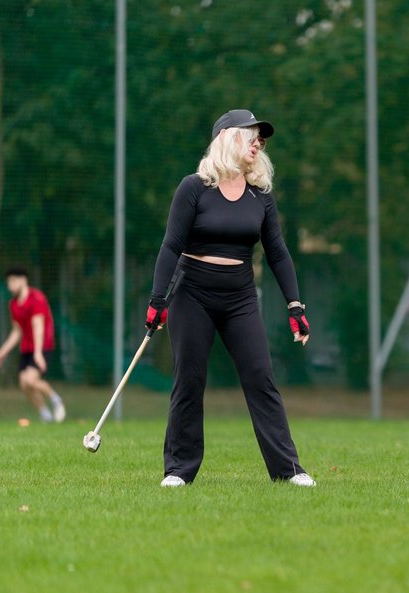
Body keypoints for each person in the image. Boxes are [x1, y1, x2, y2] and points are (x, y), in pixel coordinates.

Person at [147, 108, 315, 488]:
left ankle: (288, 469)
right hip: (192, 294)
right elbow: (171, 245)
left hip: (239, 296)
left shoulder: (261, 196)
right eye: (251, 135)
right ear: (227, 138)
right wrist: (158, 301)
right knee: (189, 380)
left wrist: (295, 305)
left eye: (262, 138)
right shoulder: (194, 187)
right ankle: (178, 470)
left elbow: (278, 253)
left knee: (260, 377)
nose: (259, 143)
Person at [0, 267, 66, 423]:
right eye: (8, 282)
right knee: (24, 384)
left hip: (43, 345)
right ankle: (45, 414)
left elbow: (38, 327)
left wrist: (38, 353)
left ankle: (56, 400)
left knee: (30, 380)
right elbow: (17, 332)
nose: (9, 285)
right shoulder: (13, 304)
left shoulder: (36, 299)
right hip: (26, 348)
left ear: (23, 280)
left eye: (13, 281)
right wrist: (1, 353)